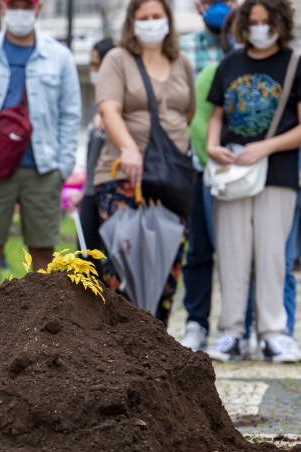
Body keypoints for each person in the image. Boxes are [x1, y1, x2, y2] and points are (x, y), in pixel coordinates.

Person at [206, 0, 301, 363]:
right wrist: (213, 147)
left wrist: (264, 148)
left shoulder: (295, 64)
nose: (261, 28)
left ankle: (274, 333)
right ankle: (231, 333)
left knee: (273, 256)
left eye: (267, 21)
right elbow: (216, 113)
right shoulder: (229, 64)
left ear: (279, 22)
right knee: (231, 255)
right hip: (232, 173)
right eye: (254, 21)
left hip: (277, 173)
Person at [94, 0, 194, 325]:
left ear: (168, 20)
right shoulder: (118, 59)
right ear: (132, 23)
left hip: (172, 180)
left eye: (157, 16)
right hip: (123, 174)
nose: (152, 23)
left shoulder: (181, 62)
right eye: (144, 17)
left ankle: (158, 340)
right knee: (123, 263)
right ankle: (121, 343)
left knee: (167, 262)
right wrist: (129, 147)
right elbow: (109, 109)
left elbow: (187, 112)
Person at [0, 0, 81, 296]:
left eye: (27, 4)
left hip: (44, 169)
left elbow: (71, 114)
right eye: (13, 3)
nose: (20, 9)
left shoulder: (60, 57)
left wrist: (63, 166)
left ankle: (43, 334)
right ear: (2, 6)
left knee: (44, 252)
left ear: (39, 7)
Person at [179, 0, 234, 351]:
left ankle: (239, 324)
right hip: (196, 165)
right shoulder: (184, 49)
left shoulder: (246, 46)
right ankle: (197, 321)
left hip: (240, 166)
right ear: (198, 6)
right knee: (198, 249)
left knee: (239, 250)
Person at [78, 38, 116, 256]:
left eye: (96, 65)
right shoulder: (97, 104)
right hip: (91, 189)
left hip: (109, 189)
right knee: (84, 260)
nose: (93, 71)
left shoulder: (119, 105)